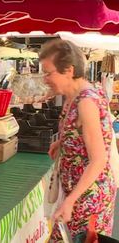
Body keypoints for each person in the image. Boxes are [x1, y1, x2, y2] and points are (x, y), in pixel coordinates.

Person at [41, 39, 117, 241]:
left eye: (49, 73)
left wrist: (70, 201)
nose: (45, 79)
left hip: (88, 198)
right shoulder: (75, 95)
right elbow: (85, 131)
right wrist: (63, 141)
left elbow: (98, 160)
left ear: (68, 70)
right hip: (76, 193)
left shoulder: (85, 102)